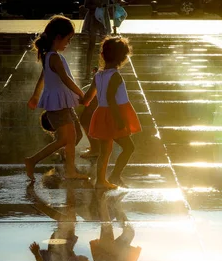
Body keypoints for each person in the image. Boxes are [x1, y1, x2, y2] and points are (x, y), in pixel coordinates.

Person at [26, 16, 88, 182]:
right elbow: (66, 79)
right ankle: (33, 161)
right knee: (65, 139)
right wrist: (82, 94)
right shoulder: (53, 57)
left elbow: (43, 78)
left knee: (76, 136)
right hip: (58, 105)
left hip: (63, 104)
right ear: (58, 37)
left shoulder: (49, 56)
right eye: (68, 39)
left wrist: (35, 95)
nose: (68, 44)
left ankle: (67, 163)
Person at [82, 36, 141, 190]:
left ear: (102, 55)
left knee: (104, 151)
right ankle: (115, 175)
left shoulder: (98, 76)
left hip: (102, 114)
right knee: (129, 147)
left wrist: (78, 99)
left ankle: (101, 180)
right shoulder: (115, 76)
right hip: (114, 114)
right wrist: (119, 119)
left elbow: (88, 97)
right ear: (123, 58)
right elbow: (110, 98)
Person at [82, 0, 112, 82]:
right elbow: (86, 5)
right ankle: (88, 71)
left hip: (102, 18)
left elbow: (107, 4)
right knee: (91, 45)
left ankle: (103, 68)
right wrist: (96, 6)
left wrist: (103, 5)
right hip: (93, 18)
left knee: (104, 46)